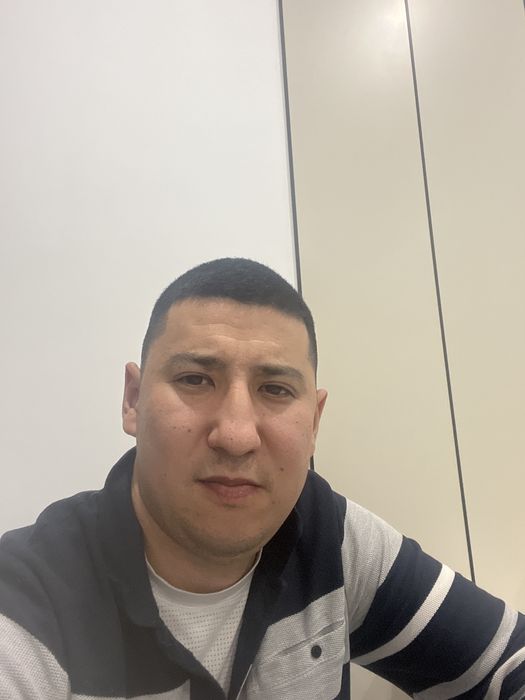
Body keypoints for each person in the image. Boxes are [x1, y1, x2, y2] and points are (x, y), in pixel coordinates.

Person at [0, 257, 523, 700]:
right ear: (133, 400)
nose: (235, 435)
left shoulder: (330, 538)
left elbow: (506, 664)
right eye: (195, 379)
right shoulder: (28, 603)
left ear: (314, 421)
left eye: (275, 389)